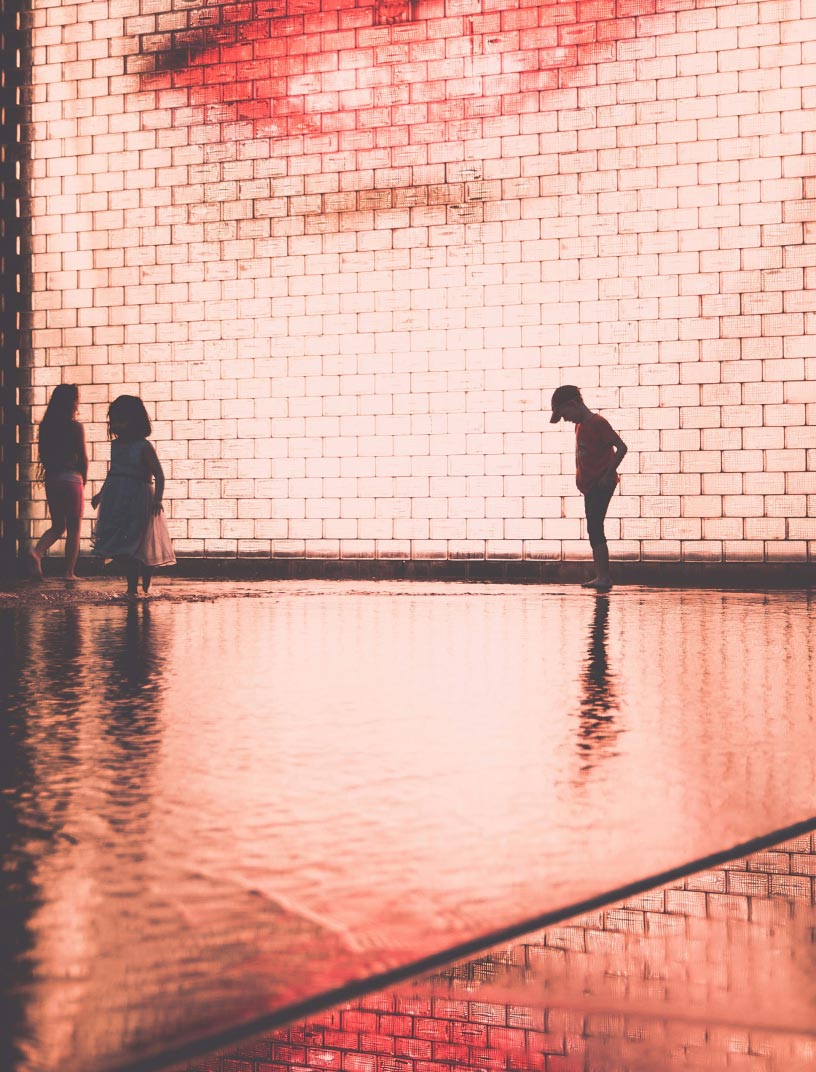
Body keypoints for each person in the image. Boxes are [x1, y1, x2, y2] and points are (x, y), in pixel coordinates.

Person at [91, 395, 175, 596]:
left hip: (138, 498)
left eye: (121, 420)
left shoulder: (143, 446)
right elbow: (113, 472)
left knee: (133, 542)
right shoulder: (116, 445)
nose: (115, 425)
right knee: (118, 543)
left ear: (135, 421)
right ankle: (140, 571)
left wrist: (158, 499)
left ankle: (134, 586)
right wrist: (101, 494)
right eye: (113, 420)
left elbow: (159, 475)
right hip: (117, 497)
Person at [550, 385, 627, 592]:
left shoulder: (597, 423)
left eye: (565, 414)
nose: (566, 419)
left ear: (573, 404)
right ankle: (601, 575)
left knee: (595, 527)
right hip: (590, 486)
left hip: (602, 483)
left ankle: (604, 576)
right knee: (593, 528)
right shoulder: (580, 426)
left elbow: (622, 447)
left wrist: (608, 473)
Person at [28, 383, 88, 581]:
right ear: (72, 403)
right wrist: (83, 479)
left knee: (57, 525)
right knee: (74, 528)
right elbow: (83, 457)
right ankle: (69, 573)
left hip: (53, 479)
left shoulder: (46, 427)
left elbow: (44, 456)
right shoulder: (75, 427)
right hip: (72, 480)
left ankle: (37, 552)